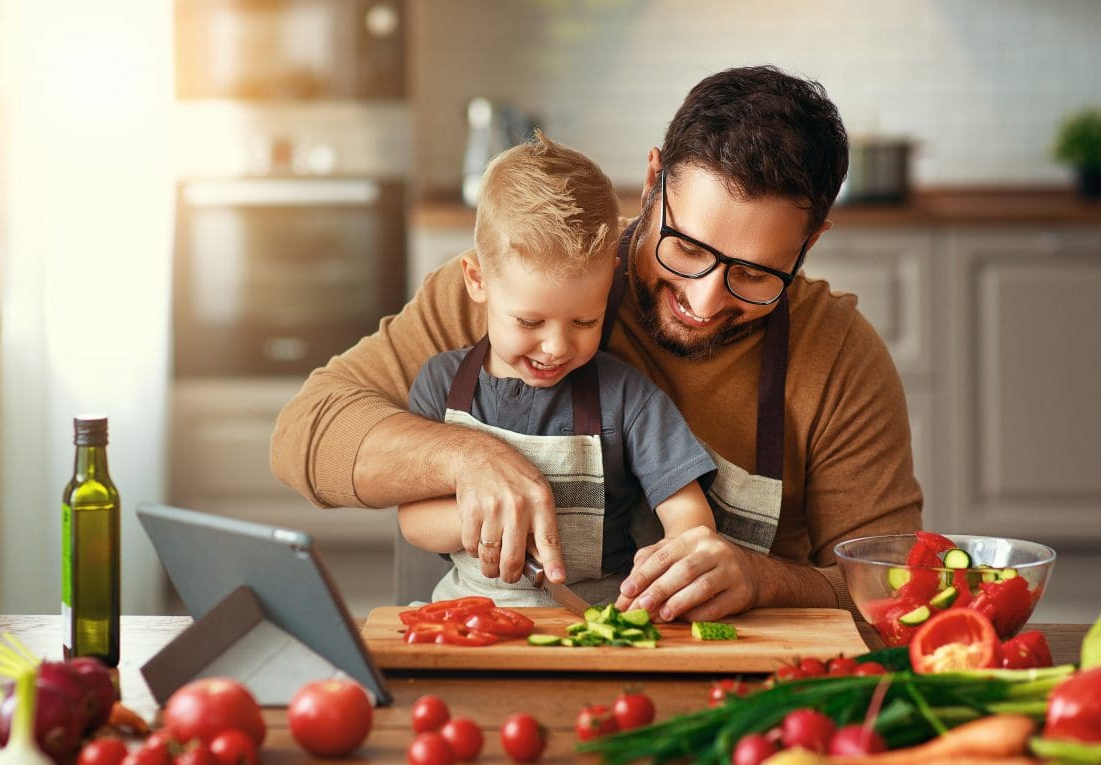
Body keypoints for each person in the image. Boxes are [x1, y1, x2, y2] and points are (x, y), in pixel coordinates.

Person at [270, 64, 923, 623]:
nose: (703, 300)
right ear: (651, 181)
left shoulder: (837, 358)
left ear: (810, 243)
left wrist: (766, 580)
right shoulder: (524, 283)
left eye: (754, 274)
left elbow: (893, 587)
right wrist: (467, 457)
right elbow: (306, 433)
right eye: (687, 247)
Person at [399, 132, 719, 607]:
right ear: (477, 279)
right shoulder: (441, 384)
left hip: (592, 620)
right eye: (530, 321)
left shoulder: (629, 398)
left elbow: (687, 512)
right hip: (465, 616)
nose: (555, 347)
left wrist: (682, 553)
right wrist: (488, 519)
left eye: (584, 321)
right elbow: (414, 519)